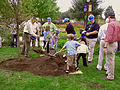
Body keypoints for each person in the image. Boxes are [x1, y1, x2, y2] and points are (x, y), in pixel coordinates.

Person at [103, 12, 120, 81]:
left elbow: (109, 36)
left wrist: (105, 46)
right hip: (116, 43)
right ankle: (108, 72)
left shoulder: (111, 24)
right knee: (108, 58)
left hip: (111, 43)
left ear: (109, 17)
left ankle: (110, 76)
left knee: (110, 60)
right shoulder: (118, 24)